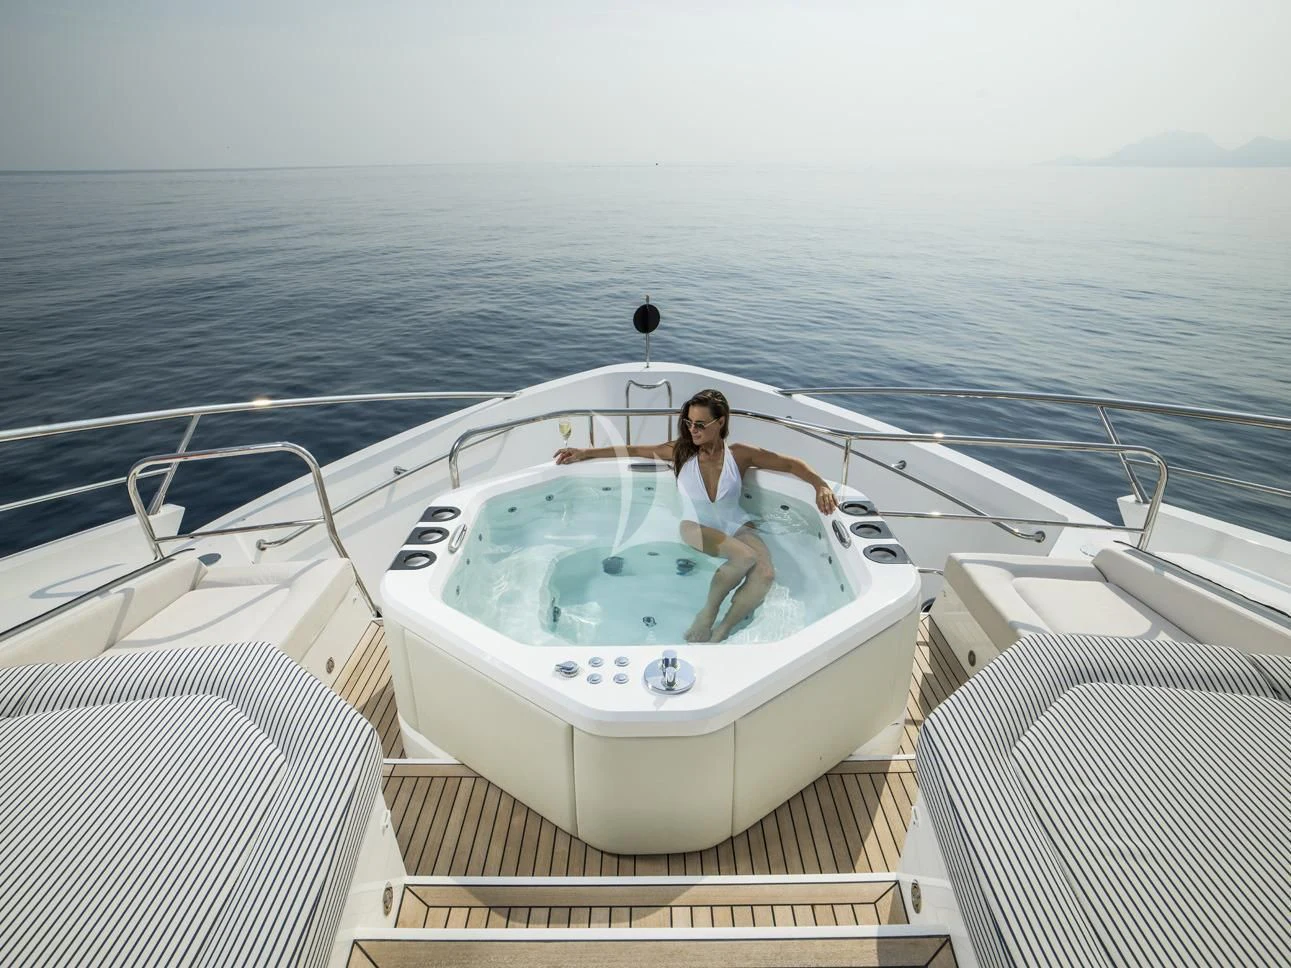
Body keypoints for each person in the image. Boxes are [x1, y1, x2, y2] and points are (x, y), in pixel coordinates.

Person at [554, 388, 839, 642]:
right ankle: (708, 613)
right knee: (745, 557)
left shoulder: (739, 455)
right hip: (695, 526)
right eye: (689, 423)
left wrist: (820, 485)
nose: (693, 429)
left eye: (700, 424)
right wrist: (585, 453)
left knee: (765, 573)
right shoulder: (681, 452)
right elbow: (631, 449)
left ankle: (723, 630)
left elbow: (790, 465)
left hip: (736, 524)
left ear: (721, 422)